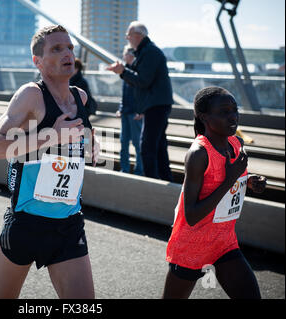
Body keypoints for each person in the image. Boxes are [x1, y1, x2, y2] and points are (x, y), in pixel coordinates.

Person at [0, 25, 100, 299]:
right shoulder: (31, 95)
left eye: (69, 47)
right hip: (27, 222)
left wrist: (90, 144)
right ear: (38, 62)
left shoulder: (80, 97)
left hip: (68, 222)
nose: (67, 53)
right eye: (56, 49)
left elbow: (81, 134)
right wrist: (50, 136)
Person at [162, 86, 266, 299]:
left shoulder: (236, 143)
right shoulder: (198, 154)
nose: (232, 117)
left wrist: (248, 181)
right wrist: (231, 178)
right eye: (223, 112)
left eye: (234, 110)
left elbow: (225, 182)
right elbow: (191, 215)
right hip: (192, 245)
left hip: (224, 241)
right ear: (204, 117)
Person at [107, 21, 173, 181]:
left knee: (147, 147)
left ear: (138, 35)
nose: (127, 38)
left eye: (128, 35)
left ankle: (151, 183)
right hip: (156, 105)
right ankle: (166, 180)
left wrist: (123, 71)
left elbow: (143, 81)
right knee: (158, 147)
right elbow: (142, 80)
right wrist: (124, 71)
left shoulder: (149, 52)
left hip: (156, 106)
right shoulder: (146, 51)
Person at [117, 45, 144, 175]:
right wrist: (120, 109)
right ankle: (125, 169)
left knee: (137, 144)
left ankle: (140, 170)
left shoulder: (137, 71)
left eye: (126, 53)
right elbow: (124, 94)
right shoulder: (125, 70)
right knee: (124, 142)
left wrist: (140, 110)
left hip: (135, 113)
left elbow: (142, 92)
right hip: (126, 112)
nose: (125, 56)